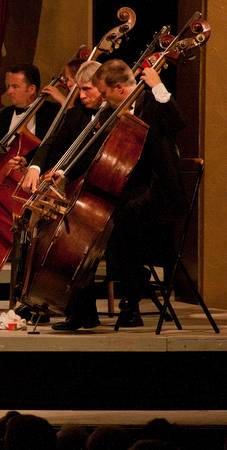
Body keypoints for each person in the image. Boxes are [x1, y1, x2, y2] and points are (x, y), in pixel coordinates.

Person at [40, 59, 185, 330]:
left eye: (105, 94)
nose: (103, 101)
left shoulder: (151, 102)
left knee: (121, 221)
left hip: (158, 190)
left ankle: (131, 304)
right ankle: (82, 311)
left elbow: (177, 121)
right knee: (84, 222)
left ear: (119, 89)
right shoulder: (110, 112)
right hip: (126, 189)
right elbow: (96, 155)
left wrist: (158, 86)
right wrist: (66, 174)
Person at [20, 60, 103, 194]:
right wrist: (35, 167)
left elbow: (89, 156)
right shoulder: (77, 113)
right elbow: (52, 142)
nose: (81, 95)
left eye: (86, 89)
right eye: (79, 89)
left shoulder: (116, 116)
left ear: (102, 86)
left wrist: (63, 172)